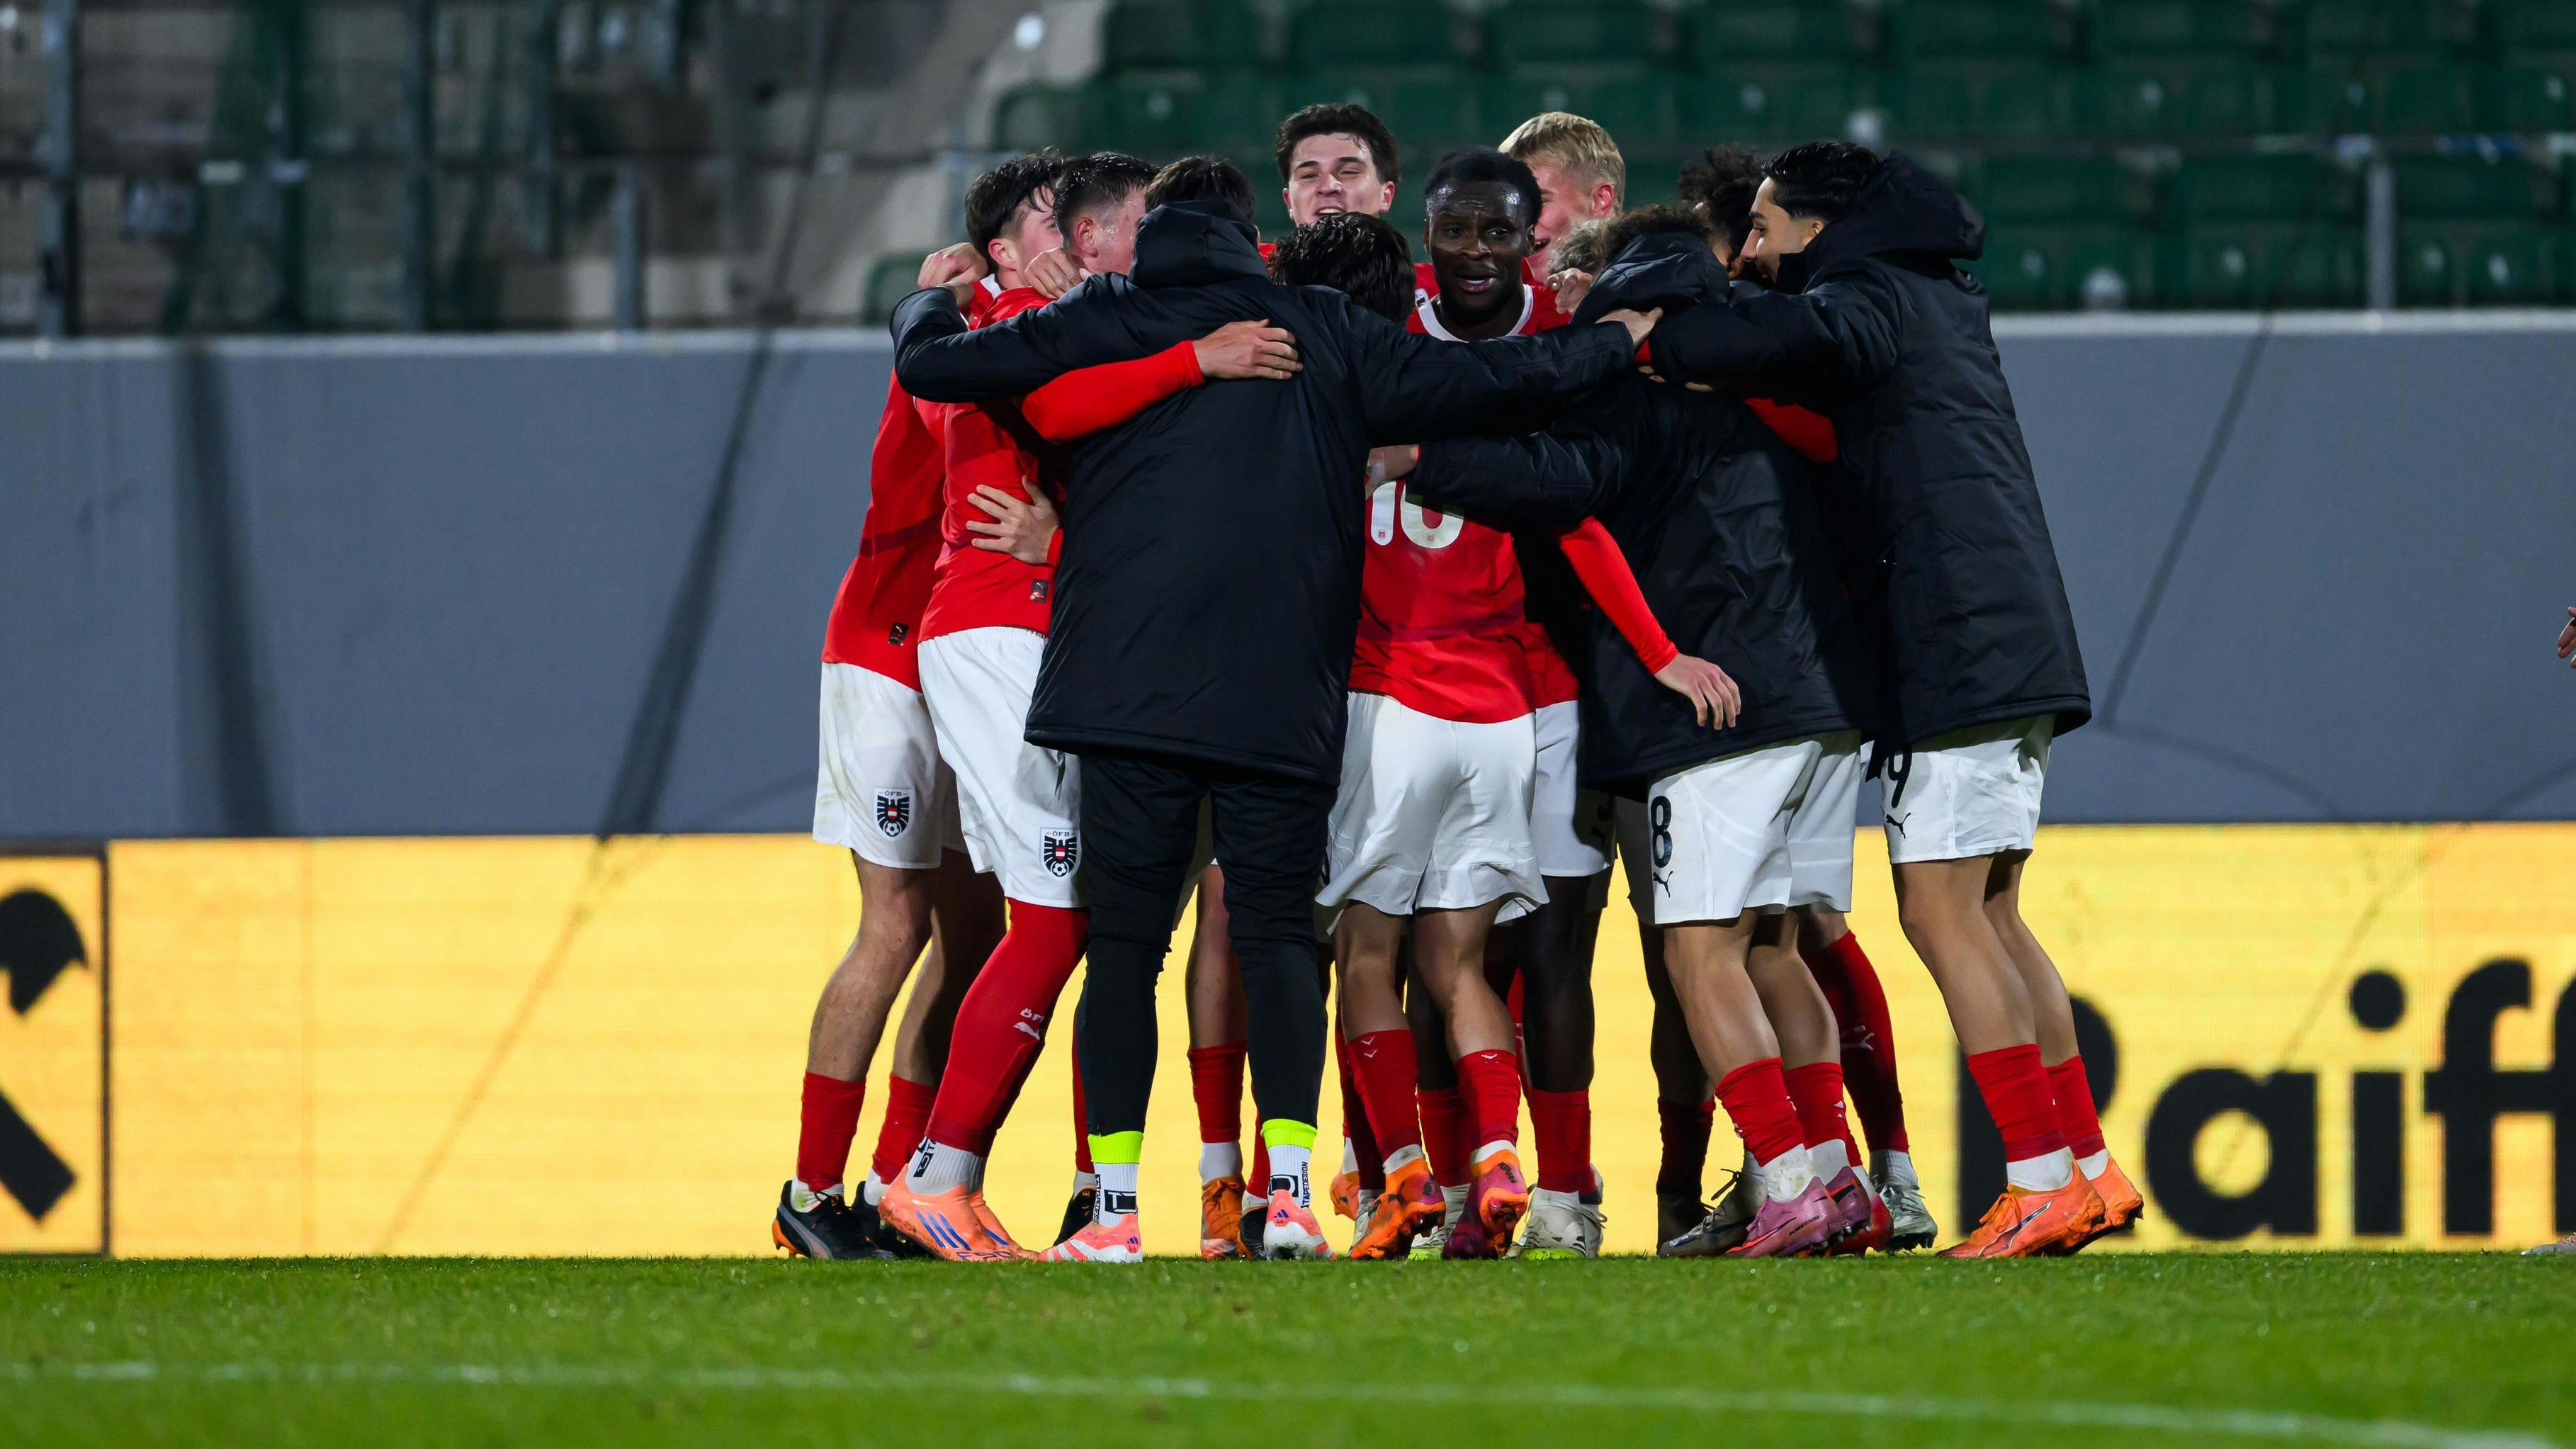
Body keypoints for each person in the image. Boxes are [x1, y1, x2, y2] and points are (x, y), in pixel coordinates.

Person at [891, 155, 1659, 1261]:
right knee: (1276, 947)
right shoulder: (1324, 331)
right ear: (1247, 227)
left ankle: (1110, 1212)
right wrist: (1618, 339)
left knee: (1121, 954)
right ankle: (1292, 1189)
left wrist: (939, 293)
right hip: (1284, 700)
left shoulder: (1102, 316)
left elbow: (933, 363)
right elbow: (1506, 383)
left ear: (1152, 236)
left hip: (1124, 698)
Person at [1642, 141, 2138, 1258]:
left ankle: (2041, 1177)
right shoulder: (1939, 296)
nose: (1756, 253)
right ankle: (2089, 1170)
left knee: (1940, 909)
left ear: (1818, 227)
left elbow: (1808, 336)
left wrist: (1662, 339)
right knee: (1999, 912)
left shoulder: (1865, 293)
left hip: (1955, 642)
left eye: (1766, 231)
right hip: (2011, 635)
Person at [1396, 205, 1889, 1258]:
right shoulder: (1767, 395)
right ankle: (1842, 1178)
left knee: (1698, 950)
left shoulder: (1638, 403)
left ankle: (1791, 1183)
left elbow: (1548, 487)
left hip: (1719, 716)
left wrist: (1417, 459)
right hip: (1824, 710)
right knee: (1771, 948)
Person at [1649, 142, 1938, 1253]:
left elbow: (1834, 445)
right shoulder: (1800, 341)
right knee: (1775, 935)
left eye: (1746, 245)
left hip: (1750, 687)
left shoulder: (1792, 345)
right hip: (1814, 687)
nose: (1735, 269)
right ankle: (1828, 1170)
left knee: (1727, 937)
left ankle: (1814, 1173)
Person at [774, 310, 1010, 1262]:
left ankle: (896, 1182)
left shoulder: (1045, 323)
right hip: (889, 650)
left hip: (968, 659)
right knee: (896, 920)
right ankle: (811, 1189)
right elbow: (924, 324)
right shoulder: (959, 329)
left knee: (981, 931)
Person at [1500, 111, 1625, 278]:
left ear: (1600, 200)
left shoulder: (1655, 291)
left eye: (1538, 201)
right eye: (1508, 206)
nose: (1515, 221)